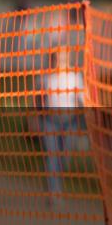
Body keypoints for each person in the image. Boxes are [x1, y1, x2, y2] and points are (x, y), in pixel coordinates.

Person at [38, 47, 85, 209]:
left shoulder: (75, 77)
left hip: (70, 122)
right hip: (50, 122)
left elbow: (82, 100)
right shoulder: (45, 77)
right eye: (57, 58)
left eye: (63, 58)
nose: (60, 61)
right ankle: (54, 194)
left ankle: (56, 188)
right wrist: (36, 119)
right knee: (52, 158)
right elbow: (39, 100)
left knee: (63, 158)